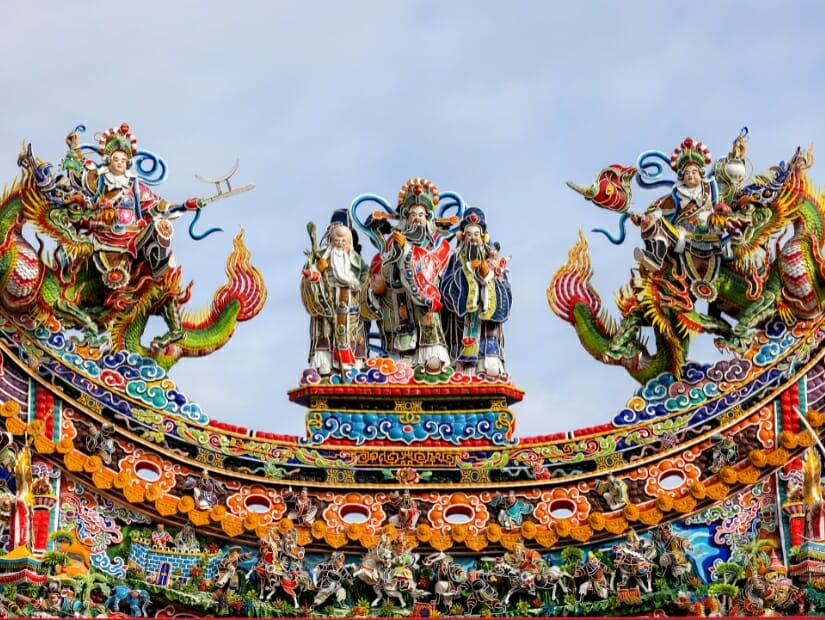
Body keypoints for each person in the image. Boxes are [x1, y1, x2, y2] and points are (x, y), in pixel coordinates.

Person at [63, 123, 201, 346]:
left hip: (134, 238)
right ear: (109, 160)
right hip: (106, 239)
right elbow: (78, 173)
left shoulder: (136, 187)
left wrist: (184, 205)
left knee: (161, 241)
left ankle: (174, 327)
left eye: (123, 160)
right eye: (115, 159)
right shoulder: (99, 181)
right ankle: (92, 321)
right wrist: (74, 148)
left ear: (128, 162)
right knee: (99, 272)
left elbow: (158, 205)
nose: (119, 163)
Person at [370, 178, 452, 372]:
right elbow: (381, 266)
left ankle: (432, 355)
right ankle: (402, 358)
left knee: (431, 338)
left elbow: (435, 265)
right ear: (406, 219)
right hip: (400, 303)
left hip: (428, 298)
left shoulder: (440, 244)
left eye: (421, 215)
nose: (417, 219)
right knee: (401, 350)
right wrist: (393, 258)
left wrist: (408, 254)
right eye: (413, 214)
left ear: (428, 218)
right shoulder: (393, 241)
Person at [632, 137, 729, 274]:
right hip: (681, 235)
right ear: (681, 177)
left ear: (701, 174)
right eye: (687, 173)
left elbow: (725, 196)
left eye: (694, 172)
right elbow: (658, 211)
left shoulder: (711, 188)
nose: (690, 176)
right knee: (656, 222)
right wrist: (644, 218)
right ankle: (655, 258)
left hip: (707, 233)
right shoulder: (676, 195)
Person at [440, 207, 512, 376]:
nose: (472, 238)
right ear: (462, 236)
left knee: (490, 368)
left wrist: (488, 278)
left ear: (483, 237)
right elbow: (446, 285)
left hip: (485, 328)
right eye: (469, 234)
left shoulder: (491, 259)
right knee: (460, 370)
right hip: (461, 324)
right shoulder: (456, 259)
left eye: (476, 234)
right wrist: (464, 278)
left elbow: (504, 291)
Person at [301, 216, 370, 375]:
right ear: (330, 240)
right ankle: (325, 364)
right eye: (336, 240)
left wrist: (361, 287)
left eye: (343, 240)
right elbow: (308, 275)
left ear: (349, 242)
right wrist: (317, 272)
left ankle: (352, 366)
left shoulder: (356, 260)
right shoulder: (320, 256)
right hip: (327, 304)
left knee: (351, 336)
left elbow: (366, 277)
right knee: (325, 331)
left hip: (351, 308)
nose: (339, 243)